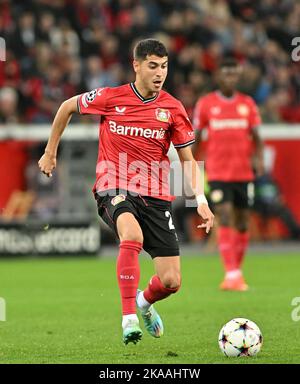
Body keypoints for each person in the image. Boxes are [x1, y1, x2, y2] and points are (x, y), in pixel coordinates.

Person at [38, 39, 214, 345]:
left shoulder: (172, 108)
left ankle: (144, 304)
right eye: (153, 66)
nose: (160, 73)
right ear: (137, 65)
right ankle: (128, 317)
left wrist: (201, 201)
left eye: (164, 66)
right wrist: (50, 152)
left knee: (171, 281)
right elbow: (67, 107)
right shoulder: (110, 97)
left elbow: (187, 159)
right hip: (113, 186)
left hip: (156, 195)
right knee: (131, 236)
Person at [193, 57, 264, 291]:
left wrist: (259, 159)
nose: (230, 78)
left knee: (243, 222)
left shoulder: (248, 104)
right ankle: (231, 273)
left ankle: (236, 271)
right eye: (226, 73)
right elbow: (195, 138)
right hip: (217, 172)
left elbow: (257, 138)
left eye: (234, 74)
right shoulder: (206, 104)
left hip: (243, 173)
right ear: (218, 76)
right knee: (223, 215)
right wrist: (191, 164)